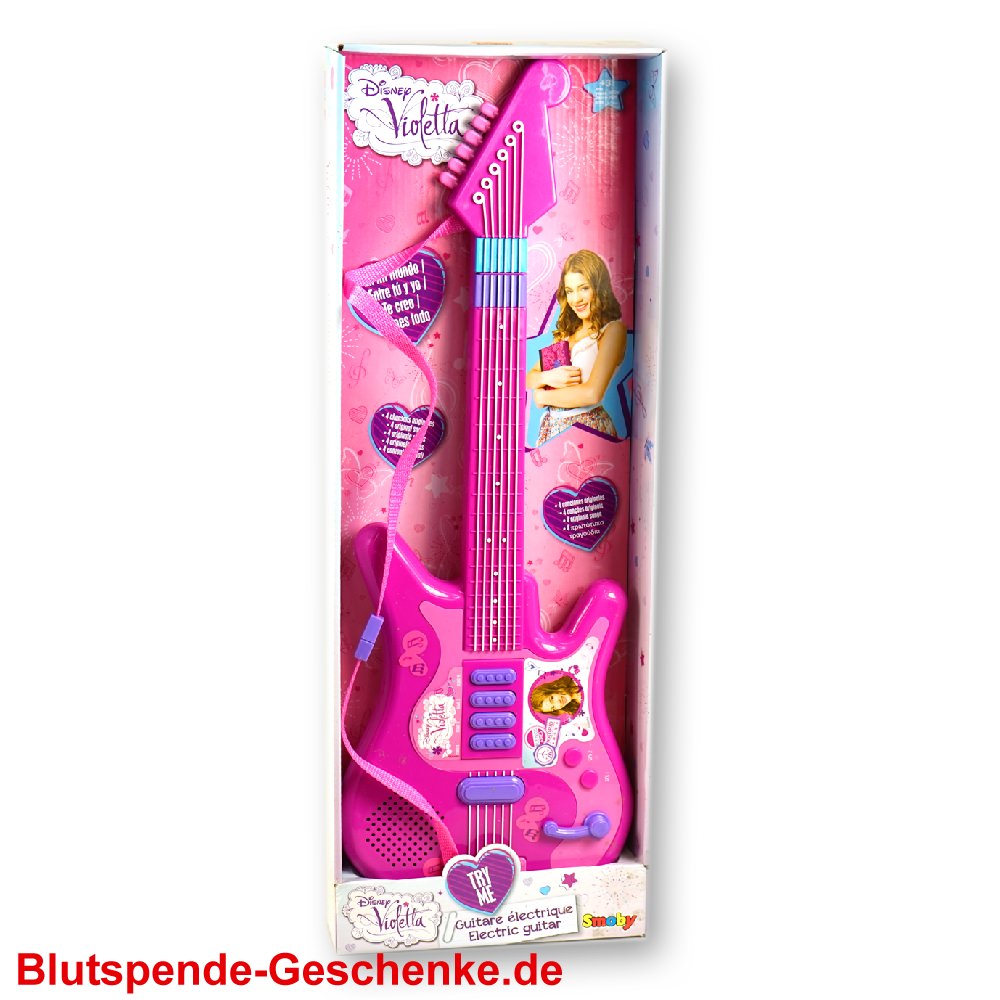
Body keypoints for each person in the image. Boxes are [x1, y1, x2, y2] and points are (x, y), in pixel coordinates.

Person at [527, 249, 627, 444]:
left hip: (587, 427)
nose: (576, 299)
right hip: (551, 427)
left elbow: (592, 393)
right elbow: (529, 378)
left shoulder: (612, 330)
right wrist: (548, 377)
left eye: (584, 288)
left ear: (599, 287)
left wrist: (542, 397)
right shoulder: (566, 334)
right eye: (570, 291)